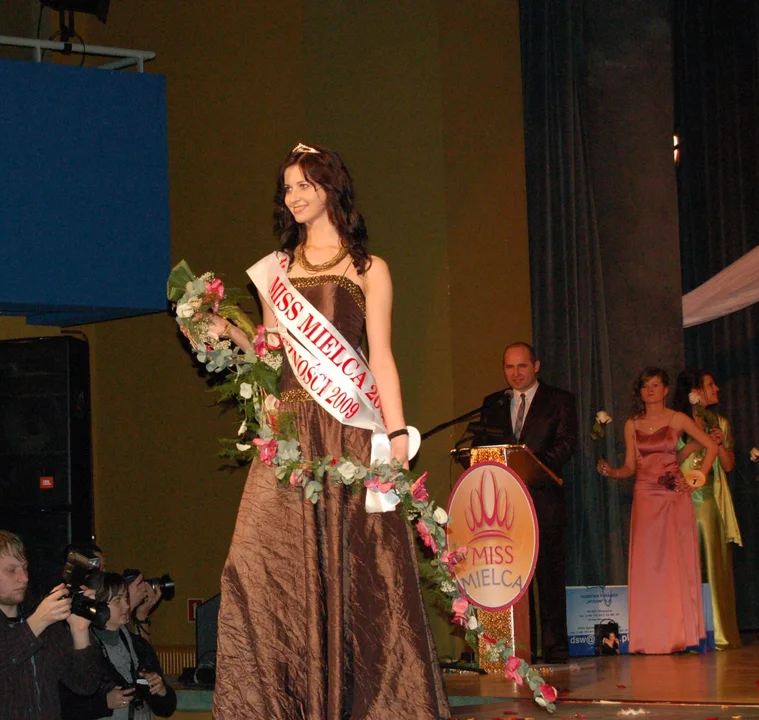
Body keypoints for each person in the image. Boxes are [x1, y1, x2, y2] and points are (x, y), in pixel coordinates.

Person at [203, 143, 450, 719]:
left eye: (303, 184)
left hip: (347, 432)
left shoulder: (368, 268)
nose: (293, 196)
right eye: (286, 187)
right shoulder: (277, 270)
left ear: (330, 187)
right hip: (290, 431)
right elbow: (270, 354)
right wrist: (225, 334)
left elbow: (380, 358)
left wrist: (395, 437)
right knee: (259, 562)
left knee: (358, 573)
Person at [597, 367, 717, 654]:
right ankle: (650, 638)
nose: (649, 390)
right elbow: (630, 467)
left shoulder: (678, 418)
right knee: (648, 568)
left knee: (675, 567)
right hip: (645, 497)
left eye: (655, 385)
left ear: (665, 390)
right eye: (645, 386)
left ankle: (678, 634)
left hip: (675, 498)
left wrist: (695, 481)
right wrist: (611, 472)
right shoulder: (631, 425)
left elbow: (710, 445)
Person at [472, 342, 578, 663]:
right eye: (509, 368)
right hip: (504, 506)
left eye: (521, 367)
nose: (515, 374)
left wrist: (528, 468)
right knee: (511, 577)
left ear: (536, 366)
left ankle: (555, 646)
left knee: (548, 574)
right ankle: (515, 647)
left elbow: (565, 444)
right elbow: (479, 444)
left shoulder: (559, 400)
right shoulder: (493, 403)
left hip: (543, 500)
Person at [0, 530, 103, 720]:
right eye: (11, 570)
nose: (23, 578)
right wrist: (36, 624)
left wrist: (80, 631)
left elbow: (85, 684)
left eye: (24, 568)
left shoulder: (38, 616)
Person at [673, 369, 742, 649]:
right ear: (695, 392)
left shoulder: (720, 422)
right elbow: (671, 460)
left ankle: (722, 635)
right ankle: (689, 636)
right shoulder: (677, 423)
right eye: (710, 385)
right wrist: (689, 449)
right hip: (681, 500)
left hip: (708, 502)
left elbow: (727, 465)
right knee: (685, 569)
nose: (717, 389)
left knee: (715, 566)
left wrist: (720, 443)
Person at [61, 572, 175, 720]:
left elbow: (167, 709)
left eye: (126, 598)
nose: (127, 605)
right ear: (98, 605)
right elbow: (66, 707)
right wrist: (104, 702)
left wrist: (161, 689)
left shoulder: (139, 646)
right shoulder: (81, 649)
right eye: (117, 600)